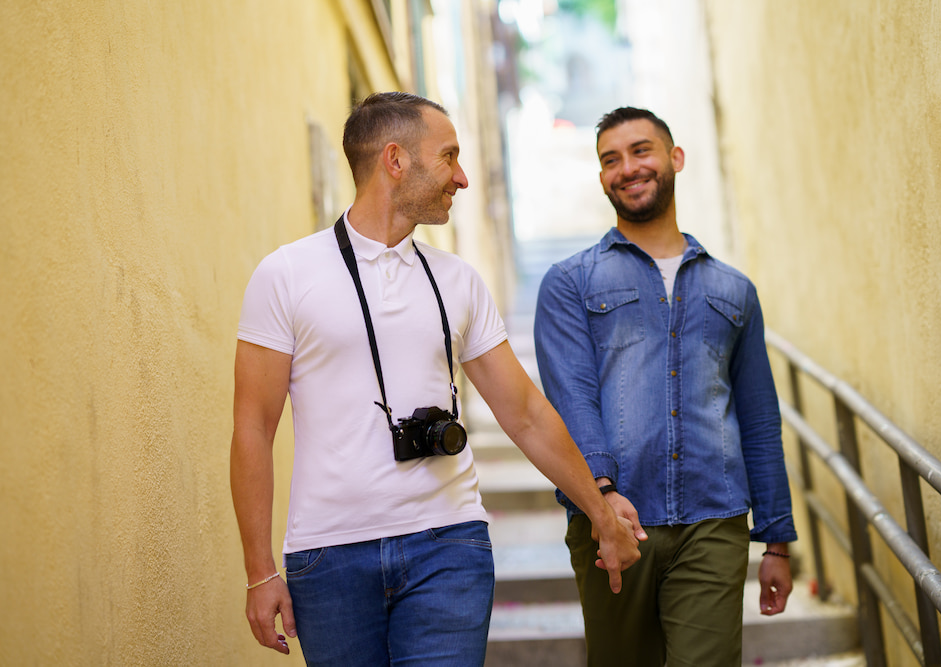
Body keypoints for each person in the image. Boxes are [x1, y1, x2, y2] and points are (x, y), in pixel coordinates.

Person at [229, 91, 640, 666]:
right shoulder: (285, 275)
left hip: (449, 545)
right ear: (395, 160)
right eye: (448, 157)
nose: (464, 178)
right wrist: (258, 572)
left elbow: (523, 412)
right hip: (329, 557)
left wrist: (600, 511)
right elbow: (253, 426)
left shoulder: (458, 281)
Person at [533, 106, 798, 667]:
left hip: (714, 518)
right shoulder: (570, 283)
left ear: (675, 158)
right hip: (612, 520)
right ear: (602, 176)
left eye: (641, 151)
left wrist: (776, 539)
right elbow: (572, 398)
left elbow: (757, 416)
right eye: (611, 159)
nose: (627, 168)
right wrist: (602, 498)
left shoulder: (735, 289)